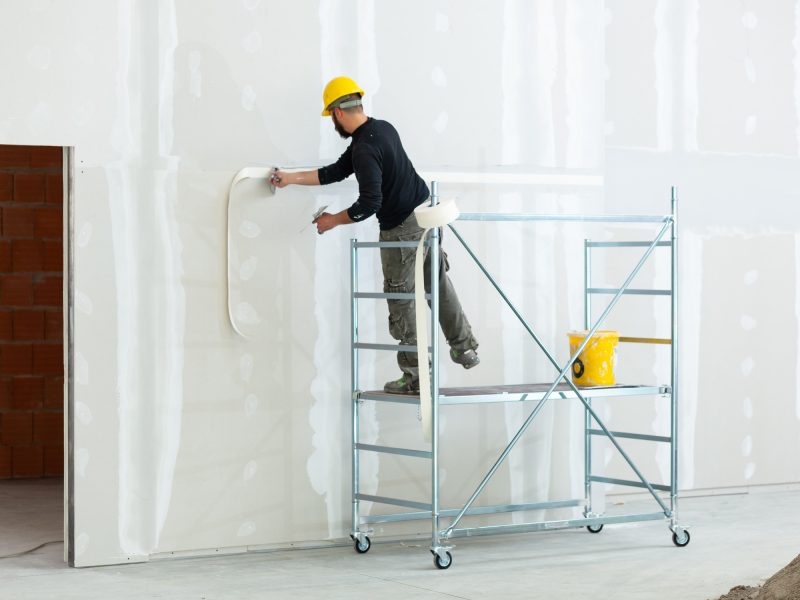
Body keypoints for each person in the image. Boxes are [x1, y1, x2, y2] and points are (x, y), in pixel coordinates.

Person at [271, 76, 479, 394]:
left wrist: (332, 221)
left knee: (402, 301)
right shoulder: (381, 129)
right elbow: (334, 172)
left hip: (401, 231)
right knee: (437, 285)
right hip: (426, 215)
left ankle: (416, 377)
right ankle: (465, 348)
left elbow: (369, 204)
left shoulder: (365, 147)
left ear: (338, 113)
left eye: (332, 118)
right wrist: (291, 177)